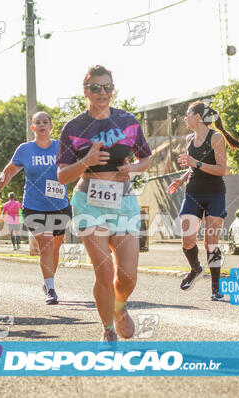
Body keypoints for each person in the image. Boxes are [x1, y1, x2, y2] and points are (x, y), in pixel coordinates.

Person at [56, 65, 152, 341]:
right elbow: (62, 176)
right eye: (96, 87)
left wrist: (132, 168)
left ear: (113, 89)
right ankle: (107, 329)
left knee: (128, 275)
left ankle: (119, 308)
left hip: (123, 200)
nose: (102, 92)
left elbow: (145, 159)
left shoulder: (127, 121)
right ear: (85, 91)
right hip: (89, 201)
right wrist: (85, 161)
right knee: (104, 268)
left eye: (107, 87)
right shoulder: (73, 127)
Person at [166, 101, 239, 300]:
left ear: (198, 117)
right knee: (187, 240)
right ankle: (195, 269)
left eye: (188, 114)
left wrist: (197, 162)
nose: (185, 118)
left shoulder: (216, 138)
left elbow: (221, 169)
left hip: (214, 194)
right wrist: (182, 179)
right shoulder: (189, 138)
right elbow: (193, 167)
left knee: (211, 242)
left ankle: (216, 289)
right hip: (193, 192)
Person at [0, 111, 72, 305]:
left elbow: (73, 168)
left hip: (59, 204)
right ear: (32, 127)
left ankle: (48, 281)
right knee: (47, 244)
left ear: (51, 126)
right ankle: (51, 288)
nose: (42, 125)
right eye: (38, 122)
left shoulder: (61, 147)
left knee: (56, 247)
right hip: (34, 206)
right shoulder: (25, 150)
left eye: (45, 122)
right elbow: (9, 171)